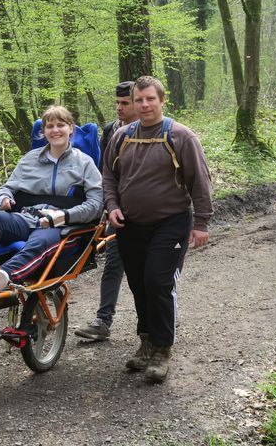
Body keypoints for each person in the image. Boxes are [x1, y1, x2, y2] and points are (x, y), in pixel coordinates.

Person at [103, 76, 213, 383]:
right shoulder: (122, 136)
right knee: (139, 284)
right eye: (139, 100)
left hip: (171, 222)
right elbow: (109, 176)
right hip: (130, 225)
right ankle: (147, 340)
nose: (144, 105)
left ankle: (163, 349)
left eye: (150, 99)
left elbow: (200, 181)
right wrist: (112, 205)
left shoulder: (181, 137)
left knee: (158, 281)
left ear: (162, 101)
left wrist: (202, 222)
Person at [0, 105, 103, 294]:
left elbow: (96, 204)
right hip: (27, 218)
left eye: (61, 125)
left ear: (71, 129)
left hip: (60, 226)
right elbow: (6, 188)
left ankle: (1, 278)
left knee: (39, 242)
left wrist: (63, 216)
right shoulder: (30, 159)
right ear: (44, 131)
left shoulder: (84, 163)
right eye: (50, 126)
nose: (55, 130)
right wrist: (3, 198)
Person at [75, 81, 137, 341]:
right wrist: (103, 206)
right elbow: (104, 172)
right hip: (116, 210)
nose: (119, 108)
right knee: (113, 264)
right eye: (117, 103)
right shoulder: (110, 130)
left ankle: (160, 321)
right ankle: (103, 321)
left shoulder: (156, 131)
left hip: (149, 211)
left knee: (149, 271)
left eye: (125, 103)